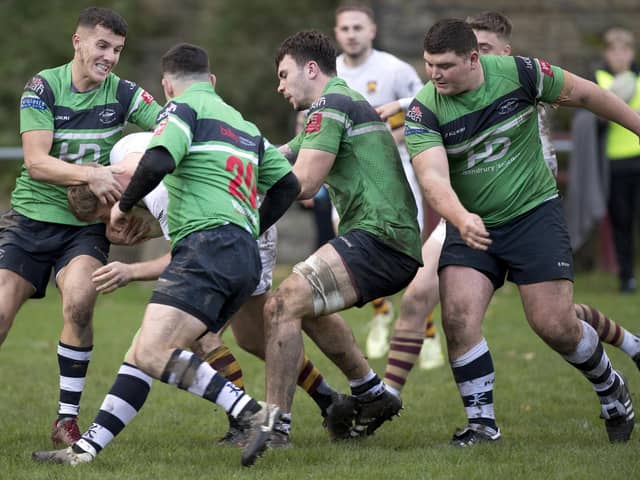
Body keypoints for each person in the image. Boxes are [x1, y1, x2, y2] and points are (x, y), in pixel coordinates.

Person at [32, 42, 299, 468]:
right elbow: (287, 187)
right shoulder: (243, 125)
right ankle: (84, 452)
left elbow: (156, 160)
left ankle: (254, 414)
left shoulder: (180, 110)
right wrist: (250, 227)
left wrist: (121, 206)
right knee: (143, 351)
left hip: (206, 248)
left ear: (166, 85)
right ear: (211, 80)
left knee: (156, 352)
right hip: (242, 256)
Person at [380, 10, 640, 399]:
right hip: (466, 212)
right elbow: (431, 170)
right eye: (431, 64)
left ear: (494, 54)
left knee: (555, 319)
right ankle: (391, 396)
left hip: (529, 209)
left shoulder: (523, 76)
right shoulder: (428, 104)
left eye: (484, 49)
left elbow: (586, 94)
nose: (436, 73)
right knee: (433, 300)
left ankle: (624, 353)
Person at [67, 131, 348, 446]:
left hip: (245, 229)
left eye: (106, 217)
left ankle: (246, 420)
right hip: (242, 218)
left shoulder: (157, 190)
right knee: (254, 338)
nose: (111, 226)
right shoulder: (124, 153)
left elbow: (184, 253)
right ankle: (331, 401)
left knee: (198, 337)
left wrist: (130, 270)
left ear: (110, 195)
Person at [255, 30, 422, 460]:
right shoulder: (335, 104)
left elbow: (305, 183)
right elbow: (279, 154)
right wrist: (232, 159)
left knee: (281, 303)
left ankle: (274, 426)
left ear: (311, 69)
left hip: (381, 236)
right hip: (382, 237)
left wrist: (247, 219)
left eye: (283, 75)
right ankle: (371, 392)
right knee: (301, 304)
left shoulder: (331, 104)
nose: (279, 86)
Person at [8, 6, 161, 447]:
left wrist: (143, 215)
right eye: (102, 45)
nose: (110, 56)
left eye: (117, 49)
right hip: (30, 219)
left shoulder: (125, 93)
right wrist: (90, 174)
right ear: (77, 42)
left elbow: (172, 130)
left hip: (83, 228)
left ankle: (66, 420)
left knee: (79, 301)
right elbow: (36, 163)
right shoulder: (43, 86)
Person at [333, 3, 445, 368]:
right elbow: (308, 123)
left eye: (357, 27)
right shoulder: (330, 72)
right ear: (337, 33)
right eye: (345, 28)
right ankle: (381, 311)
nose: (351, 34)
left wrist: (387, 138)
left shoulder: (394, 69)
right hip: (348, 180)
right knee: (349, 241)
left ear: (372, 31)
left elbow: (424, 108)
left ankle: (425, 331)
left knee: (408, 251)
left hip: (395, 173)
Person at [593, 27, 640, 293]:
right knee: (621, 222)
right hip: (613, 164)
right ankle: (627, 277)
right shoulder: (599, 79)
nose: (620, 55)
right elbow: (591, 120)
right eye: (614, 50)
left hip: (639, 158)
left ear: (631, 52)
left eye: (625, 49)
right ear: (606, 53)